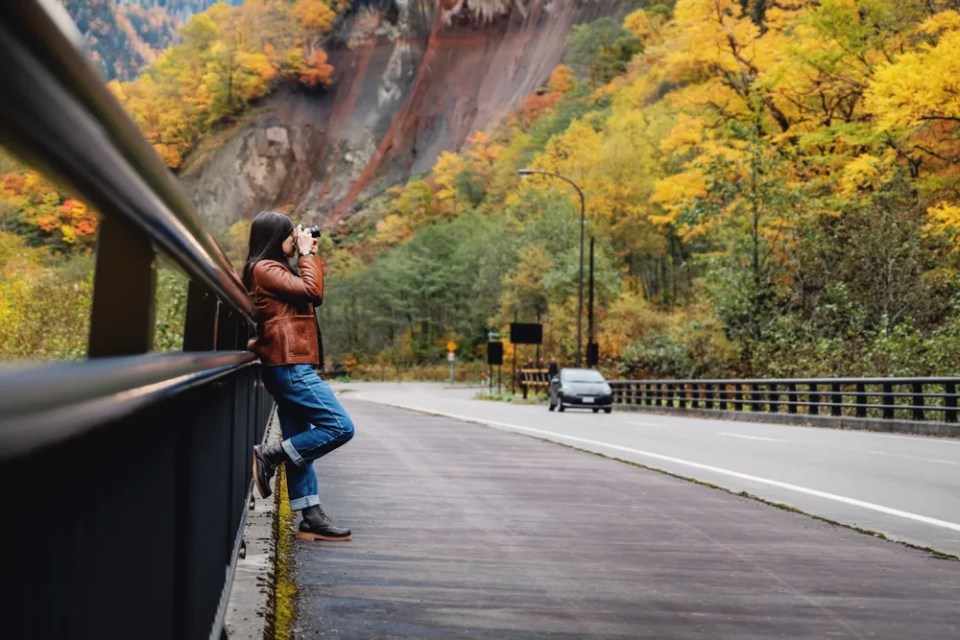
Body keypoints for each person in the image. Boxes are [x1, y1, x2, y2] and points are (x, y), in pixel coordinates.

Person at [243, 210, 355, 541]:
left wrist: (306, 256)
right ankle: (269, 455)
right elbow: (312, 293)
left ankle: (311, 515)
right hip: (288, 365)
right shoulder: (265, 269)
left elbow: (308, 291)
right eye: (291, 234)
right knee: (338, 426)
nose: (296, 238)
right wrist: (306, 254)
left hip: (289, 363)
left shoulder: (275, 269)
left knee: (298, 439)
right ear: (276, 238)